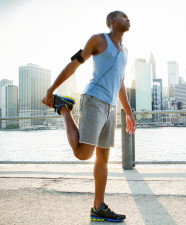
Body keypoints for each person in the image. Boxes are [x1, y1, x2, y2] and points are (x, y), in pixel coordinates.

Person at [42, 10, 136, 223]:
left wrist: (128, 113)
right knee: (83, 154)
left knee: (103, 158)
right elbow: (75, 63)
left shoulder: (125, 51)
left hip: (110, 107)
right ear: (112, 21)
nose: (128, 19)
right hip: (94, 99)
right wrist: (51, 89)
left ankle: (98, 207)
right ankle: (64, 108)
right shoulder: (99, 40)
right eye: (124, 16)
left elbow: (120, 83)